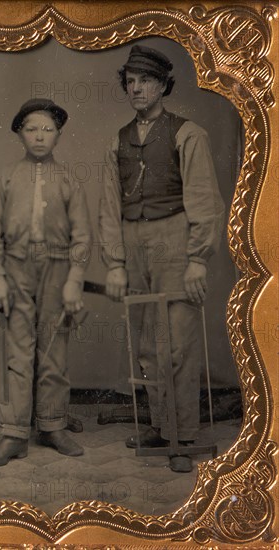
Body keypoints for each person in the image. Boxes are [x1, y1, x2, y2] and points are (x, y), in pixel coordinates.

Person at [99, 45, 225, 473]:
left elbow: (204, 201)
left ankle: (182, 437)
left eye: (145, 81)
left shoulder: (187, 134)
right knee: (149, 347)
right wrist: (115, 262)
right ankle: (159, 427)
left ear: (163, 85)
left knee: (178, 344)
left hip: (175, 238)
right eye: (130, 81)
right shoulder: (116, 140)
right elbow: (108, 204)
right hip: (133, 245)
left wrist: (198, 259)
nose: (136, 88)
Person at [0, 98, 91, 467]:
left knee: (53, 350)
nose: (39, 137)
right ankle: (13, 434)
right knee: (17, 350)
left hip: (58, 268)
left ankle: (53, 425)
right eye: (31, 129)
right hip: (15, 267)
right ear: (19, 134)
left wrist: (75, 280)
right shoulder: (7, 177)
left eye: (47, 130)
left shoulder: (68, 180)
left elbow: (82, 236)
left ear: (58, 135)